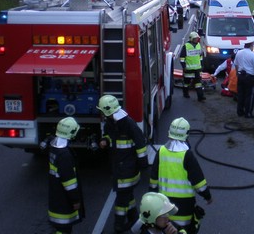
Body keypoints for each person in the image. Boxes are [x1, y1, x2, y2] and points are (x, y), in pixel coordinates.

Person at [149, 118, 212, 233]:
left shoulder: (161, 151)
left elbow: (153, 179)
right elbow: (199, 183)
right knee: (182, 230)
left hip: (165, 204)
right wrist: (207, 196)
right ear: (186, 134)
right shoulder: (187, 155)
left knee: (167, 229)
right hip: (184, 207)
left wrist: (152, 197)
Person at [97, 95, 149, 233]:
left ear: (108, 111)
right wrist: (105, 140)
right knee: (127, 195)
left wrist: (144, 165)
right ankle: (134, 219)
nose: (101, 114)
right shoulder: (110, 123)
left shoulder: (128, 123)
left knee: (121, 199)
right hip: (118, 167)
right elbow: (109, 136)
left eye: (102, 111)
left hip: (127, 169)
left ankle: (118, 225)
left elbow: (140, 144)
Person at [48, 117, 85, 234]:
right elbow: (69, 182)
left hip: (55, 198)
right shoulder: (65, 155)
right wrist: (76, 200)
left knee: (60, 229)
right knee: (64, 229)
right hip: (64, 202)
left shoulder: (54, 148)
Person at [234, 40, 254, 118]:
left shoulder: (239, 53)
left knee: (240, 94)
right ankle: (248, 113)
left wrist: (237, 73)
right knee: (249, 96)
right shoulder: (252, 55)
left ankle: (240, 111)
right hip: (250, 77)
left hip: (241, 76)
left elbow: (236, 64)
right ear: (251, 45)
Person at [179, 32, 205, 102]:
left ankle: (200, 97)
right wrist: (184, 67)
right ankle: (185, 93)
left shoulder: (198, 45)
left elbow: (201, 56)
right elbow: (182, 57)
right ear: (191, 39)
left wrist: (202, 65)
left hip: (197, 69)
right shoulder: (186, 46)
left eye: (197, 38)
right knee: (186, 83)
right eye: (195, 38)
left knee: (198, 83)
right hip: (188, 69)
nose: (197, 40)